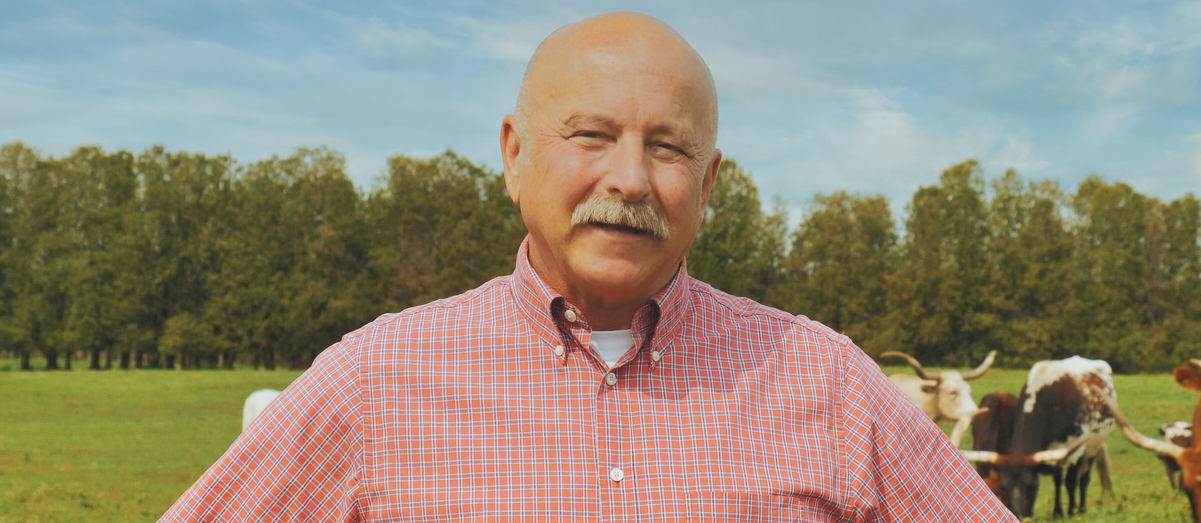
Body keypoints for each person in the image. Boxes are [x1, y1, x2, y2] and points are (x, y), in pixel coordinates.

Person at [159, 12, 1012, 522]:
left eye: (669, 147)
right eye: (592, 135)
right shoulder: (371, 380)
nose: (630, 179)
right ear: (514, 155)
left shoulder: (829, 381)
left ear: (708, 183)